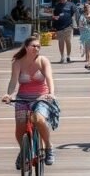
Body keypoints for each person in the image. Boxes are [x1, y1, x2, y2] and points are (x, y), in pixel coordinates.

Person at [5, 36, 58, 168]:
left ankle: (48, 147)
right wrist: (9, 94)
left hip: (41, 97)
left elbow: (49, 78)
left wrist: (51, 93)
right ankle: (23, 150)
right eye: (33, 46)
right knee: (20, 128)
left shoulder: (43, 61)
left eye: (38, 46)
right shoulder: (17, 62)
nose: (36, 48)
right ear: (26, 47)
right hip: (22, 97)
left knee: (38, 119)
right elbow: (13, 81)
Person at [51, 0, 76, 64]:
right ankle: (62, 57)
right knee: (61, 41)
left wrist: (75, 25)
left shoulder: (71, 5)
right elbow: (54, 15)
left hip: (68, 26)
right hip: (59, 26)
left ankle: (68, 56)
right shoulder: (57, 5)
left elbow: (74, 14)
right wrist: (54, 17)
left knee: (68, 41)